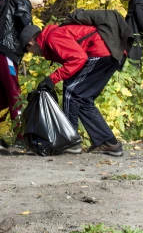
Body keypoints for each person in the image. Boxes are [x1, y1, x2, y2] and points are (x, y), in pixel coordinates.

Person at [20, 22, 125, 157]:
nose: (34, 54)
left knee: (71, 91)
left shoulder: (53, 37)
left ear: (30, 43)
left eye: (30, 52)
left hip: (102, 51)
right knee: (82, 98)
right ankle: (109, 143)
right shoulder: (53, 37)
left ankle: (71, 141)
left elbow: (79, 58)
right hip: (112, 52)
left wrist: (52, 79)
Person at [0, 0, 51, 137]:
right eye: (43, 0)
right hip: (6, 52)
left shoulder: (13, 0)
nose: (42, 5)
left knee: (4, 95)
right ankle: (22, 135)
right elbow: (27, 29)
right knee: (14, 93)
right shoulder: (22, 2)